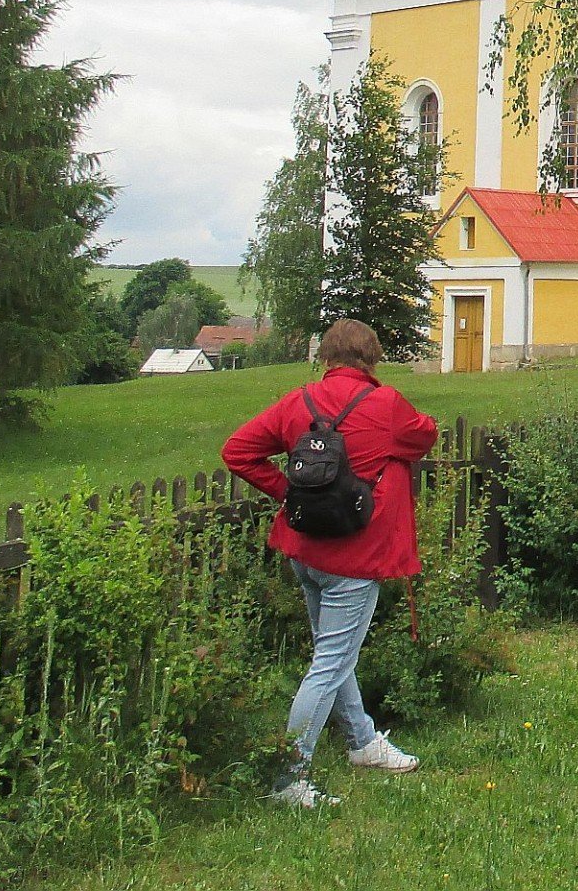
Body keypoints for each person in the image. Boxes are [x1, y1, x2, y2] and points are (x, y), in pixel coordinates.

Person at [222, 317, 440, 807]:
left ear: (326, 357)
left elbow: (238, 451)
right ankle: (287, 775)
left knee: (333, 654)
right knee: (330, 662)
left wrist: (290, 494)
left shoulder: (297, 402)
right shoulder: (385, 406)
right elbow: (425, 434)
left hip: (305, 550)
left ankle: (362, 743)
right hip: (355, 556)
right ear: (371, 358)